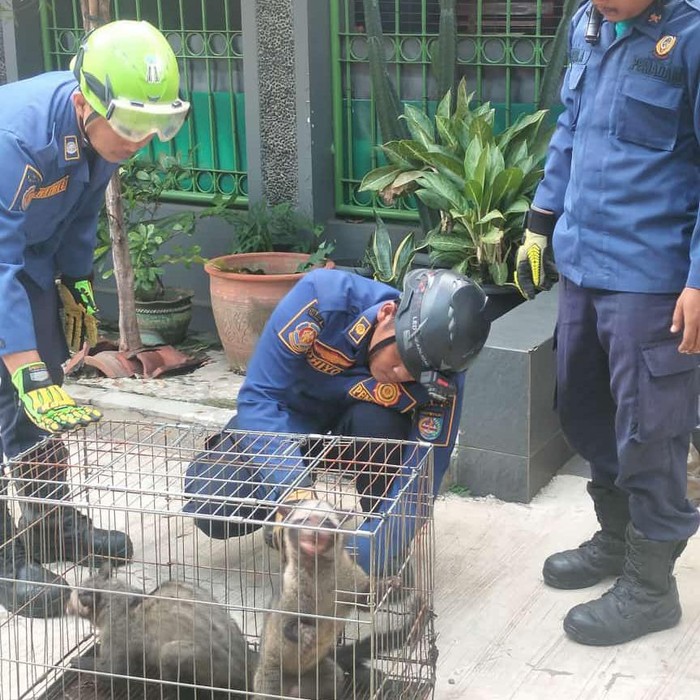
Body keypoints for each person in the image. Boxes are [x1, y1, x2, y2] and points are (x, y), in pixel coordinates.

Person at [514, 0, 700, 646]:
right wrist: (542, 217)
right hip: (583, 263)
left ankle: (652, 589)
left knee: (652, 429)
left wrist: (698, 280)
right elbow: (573, 126)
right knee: (586, 407)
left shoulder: (692, 36)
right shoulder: (589, 23)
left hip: (651, 276)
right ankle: (617, 541)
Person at [0, 19, 190, 618]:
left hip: (23, 258)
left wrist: (75, 284)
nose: (144, 139)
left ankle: (51, 524)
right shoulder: (17, 140)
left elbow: (80, 211)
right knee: (16, 382)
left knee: (44, 391)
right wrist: (21, 365)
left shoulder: (101, 136)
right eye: (133, 124)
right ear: (86, 102)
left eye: (158, 124)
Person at [184, 268, 491, 574]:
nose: (401, 375)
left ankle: (381, 541)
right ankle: (283, 513)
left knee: (381, 427)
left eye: (415, 374)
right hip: (290, 421)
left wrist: (365, 555)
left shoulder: (446, 375)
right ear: (387, 314)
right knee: (214, 505)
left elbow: (424, 473)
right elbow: (259, 398)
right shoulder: (322, 300)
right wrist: (296, 494)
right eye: (401, 360)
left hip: (365, 432)